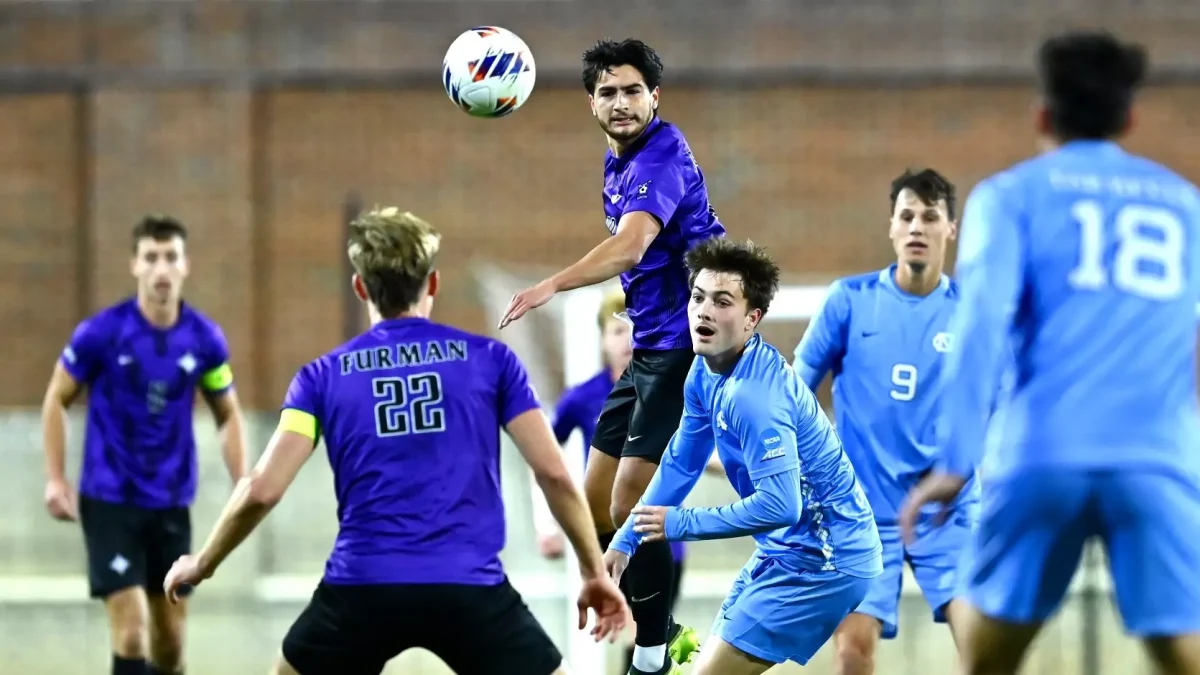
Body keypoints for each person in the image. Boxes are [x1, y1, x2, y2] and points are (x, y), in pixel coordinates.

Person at [163, 208, 629, 675]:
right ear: (433, 284)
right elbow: (553, 473)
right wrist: (592, 571)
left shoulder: (319, 378)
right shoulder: (492, 361)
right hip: (468, 587)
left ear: (361, 288)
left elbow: (262, 488)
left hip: (362, 587)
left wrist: (204, 562)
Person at [900, 31, 1200, 675]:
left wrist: (955, 461)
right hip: (1158, 455)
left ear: (1043, 115)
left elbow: (980, 329)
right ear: (1130, 118)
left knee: (987, 662)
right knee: (1182, 654)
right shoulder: (1185, 205)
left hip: (1043, 453)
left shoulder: (1012, 196)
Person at [499, 38, 724, 674]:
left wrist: (551, 283)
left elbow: (629, 248)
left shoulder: (663, 151)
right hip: (649, 349)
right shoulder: (615, 161)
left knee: (629, 504)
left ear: (655, 96)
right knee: (595, 502)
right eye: (607, 92)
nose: (620, 103)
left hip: (686, 345)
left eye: (632, 91)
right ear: (591, 102)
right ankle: (652, 623)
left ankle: (653, 649)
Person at [605, 237, 883, 675]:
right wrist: (626, 540)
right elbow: (682, 460)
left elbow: (781, 504)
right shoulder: (704, 370)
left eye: (722, 302)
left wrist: (677, 524)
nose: (703, 311)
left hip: (826, 561)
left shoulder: (754, 397)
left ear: (753, 318)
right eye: (698, 297)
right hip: (784, 552)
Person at [40, 215, 249, 675]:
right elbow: (57, 398)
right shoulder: (101, 334)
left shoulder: (205, 340)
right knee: (132, 631)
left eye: (170, 257)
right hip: (109, 499)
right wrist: (55, 478)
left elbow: (228, 412)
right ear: (134, 264)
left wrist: (243, 481)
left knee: (170, 644)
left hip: (171, 503)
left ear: (185, 265)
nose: (161, 269)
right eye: (151, 257)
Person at [794, 168, 976, 674]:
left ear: (950, 229)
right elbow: (793, 392)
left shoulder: (973, 315)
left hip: (948, 508)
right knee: (853, 652)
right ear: (892, 228)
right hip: (861, 510)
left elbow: (1001, 405)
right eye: (907, 216)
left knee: (985, 648)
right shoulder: (849, 301)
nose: (918, 226)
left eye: (930, 217)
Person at [528, 289, 702, 672]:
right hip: (604, 537)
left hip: (659, 539)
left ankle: (664, 648)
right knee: (626, 636)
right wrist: (547, 524)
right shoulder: (582, 398)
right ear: (602, 339)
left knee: (646, 641)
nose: (627, 339)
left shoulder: (677, 390)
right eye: (617, 330)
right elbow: (541, 458)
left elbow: (699, 444)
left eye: (635, 329)